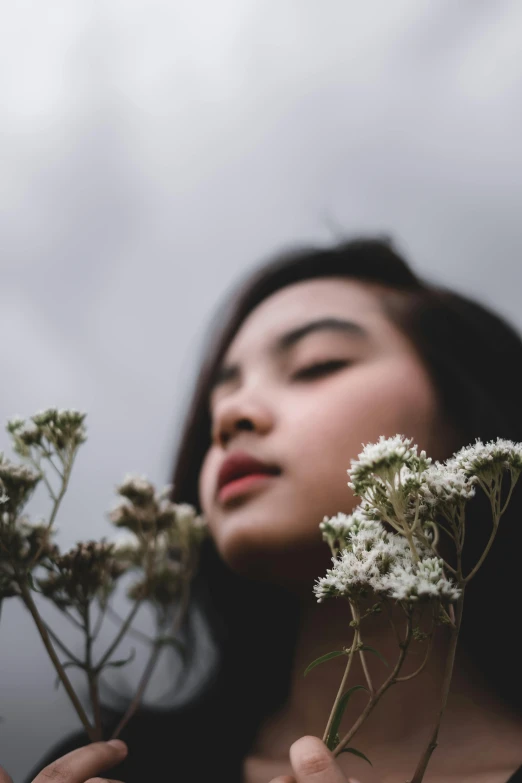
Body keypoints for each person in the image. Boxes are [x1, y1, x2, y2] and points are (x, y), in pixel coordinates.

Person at [8, 238, 522, 783]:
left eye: (315, 364)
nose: (230, 414)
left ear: (470, 423)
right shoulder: (119, 765)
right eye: (216, 402)